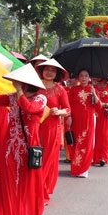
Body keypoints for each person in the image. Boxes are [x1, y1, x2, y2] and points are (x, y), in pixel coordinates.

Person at [0, 63, 48, 215]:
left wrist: (19, 92)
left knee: (25, 187)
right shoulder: (12, 98)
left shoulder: (40, 99)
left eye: (17, 81)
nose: (13, 83)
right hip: (9, 149)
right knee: (8, 185)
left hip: (28, 150)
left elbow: (29, 108)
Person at [36, 58, 70, 203]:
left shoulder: (60, 90)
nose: (49, 72)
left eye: (53, 70)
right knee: (34, 158)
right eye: (47, 69)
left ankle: (41, 191)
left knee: (48, 159)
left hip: (52, 128)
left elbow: (68, 109)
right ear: (41, 71)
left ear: (56, 73)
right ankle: (34, 188)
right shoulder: (34, 86)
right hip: (35, 126)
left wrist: (59, 111)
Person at [66, 69, 97, 178]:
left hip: (88, 120)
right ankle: (76, 167)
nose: (83, 78)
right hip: (75, 120)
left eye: (86, 76)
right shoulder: (73, 90)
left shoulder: (92, 89)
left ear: (89, 77)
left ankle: (84, 168)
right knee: (76, 143)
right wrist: (68, 116)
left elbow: (99, 106)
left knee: (86, 143)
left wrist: (94, 94)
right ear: (78, 78)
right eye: (81, 76)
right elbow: (68, 105)